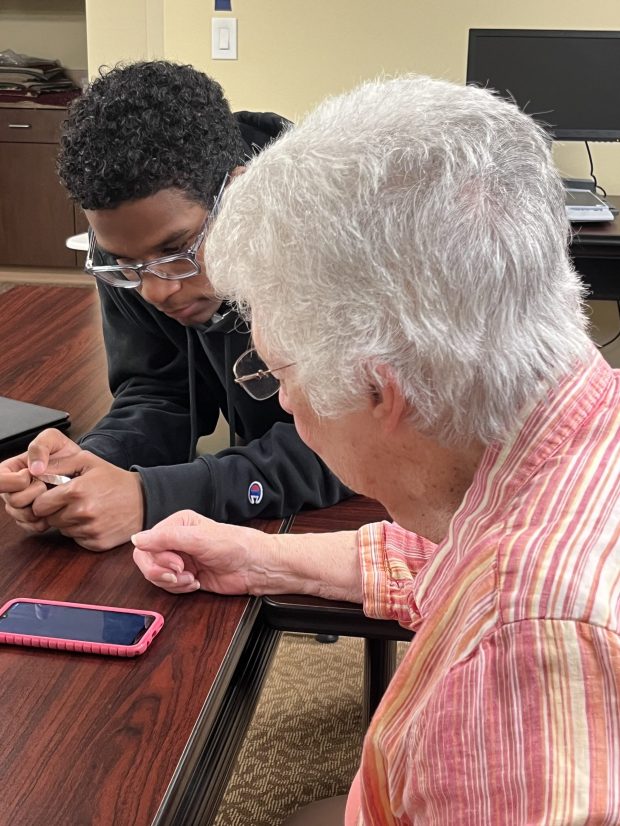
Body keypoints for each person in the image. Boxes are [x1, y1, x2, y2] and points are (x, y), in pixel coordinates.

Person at [132, 74, 620, 825]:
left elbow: (499, 601)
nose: (283, 402)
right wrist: (257, 556)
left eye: (280, 372)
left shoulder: (513, 657)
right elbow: (453, 558)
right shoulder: (578, 424)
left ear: (379, 391)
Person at [0, 61, 351, 552]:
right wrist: (86, 468)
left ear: (240, 190)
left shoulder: (341, 236)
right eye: (126, 263)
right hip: (260, 479)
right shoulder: (131, 246)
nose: (155, 291)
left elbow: (355, 443)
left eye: (176, 251)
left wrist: (152, 498)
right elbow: (159, 390)